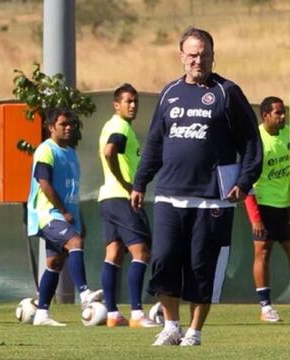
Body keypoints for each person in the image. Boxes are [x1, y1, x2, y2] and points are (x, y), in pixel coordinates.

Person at [130, 27, 262, 346]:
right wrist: (140, 182)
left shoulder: (227, 92)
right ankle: (171, 325)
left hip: (212, 201)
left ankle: (194, 331)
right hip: (169, 196)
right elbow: (155, 143)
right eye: (191, 54)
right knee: (162, 259)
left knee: (202, 268)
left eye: (203, 54)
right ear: (181, 57)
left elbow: (251, 144)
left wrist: (244, 182)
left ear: (213, 56)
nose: (197, 60)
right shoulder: (169, 92)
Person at [27, 108, 103, 326]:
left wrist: (79, 219)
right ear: (51, 127)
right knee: (75, 243)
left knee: (54, 262)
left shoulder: (70, 152)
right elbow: (44, 183)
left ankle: (42, 313)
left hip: (66, 215)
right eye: (63, 124)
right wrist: (63, 211)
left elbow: (72, 190)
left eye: (71, 124)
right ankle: (84, 293)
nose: (68, 127)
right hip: (49, 214)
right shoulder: (45, 150)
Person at [98, 83, 157, 328]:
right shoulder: (120, 127)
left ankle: (112, 314)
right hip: (122, 198)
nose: (133, 106)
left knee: (113, 255)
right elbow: (110, 151)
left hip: (107, 199)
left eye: (135, 101)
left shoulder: (112, 125)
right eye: (128, 101)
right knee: (141, 253)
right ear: (116, 105)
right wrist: (125, 183)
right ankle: (136, 313)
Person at [244, 96, 290, 322]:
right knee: (262, 253)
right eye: (278, 113)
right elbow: (247, 184)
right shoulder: (256, 141)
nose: (283, 117)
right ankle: (266, 307)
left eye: (284, 112)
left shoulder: (288, 134)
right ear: (265, 116)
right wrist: (255, 219)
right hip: (262, 206)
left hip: (286, 205)